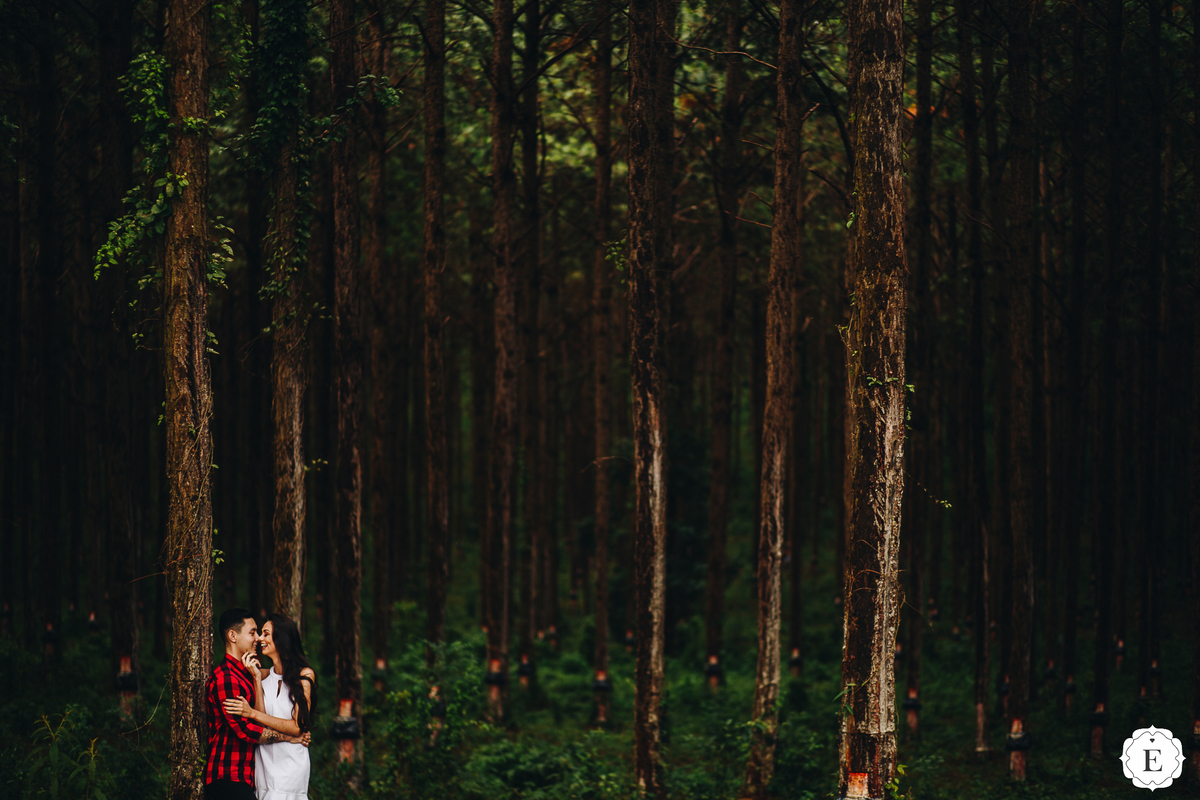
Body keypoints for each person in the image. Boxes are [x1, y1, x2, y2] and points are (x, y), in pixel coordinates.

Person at [206, 609, 309, 800]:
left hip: (246, 778)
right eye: (252, 632)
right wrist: (289, 737)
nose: (258, 638)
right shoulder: (227, 678)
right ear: (232, 636)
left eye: (260, 633)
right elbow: (246, 730)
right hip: (228, 776)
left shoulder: (246, 675)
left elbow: (279, 674)